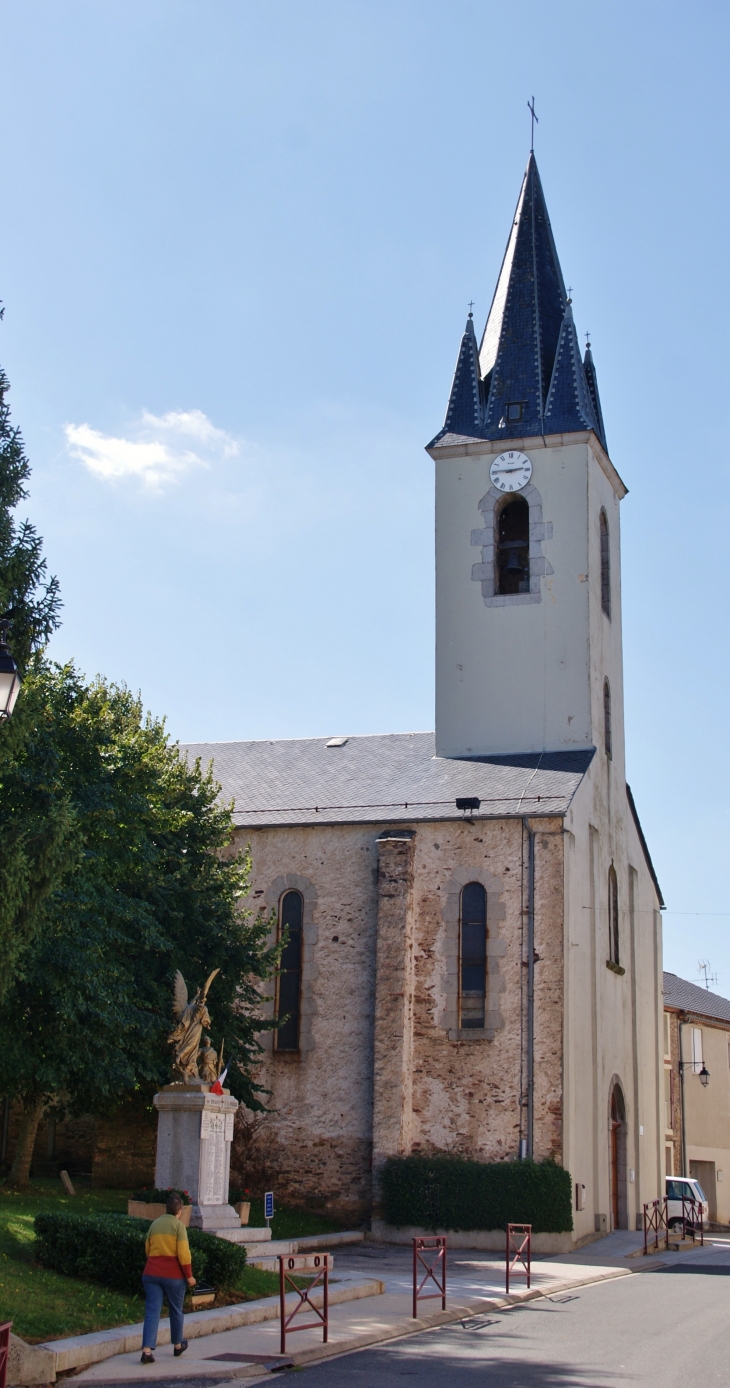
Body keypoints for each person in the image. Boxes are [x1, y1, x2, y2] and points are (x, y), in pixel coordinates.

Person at [140, 1193, 196, 1364]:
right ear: (179, 1211)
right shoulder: (179, 1227)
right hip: (174, 1276)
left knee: (152, 1311)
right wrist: (189, 1276)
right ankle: (178, 1345)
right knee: (176, 1310)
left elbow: (148, 1249)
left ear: (166, 1208)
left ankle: (147, 1350)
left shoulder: (155, 1224)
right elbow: (183, 1254)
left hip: (151, 1273)